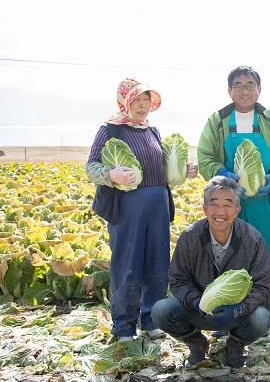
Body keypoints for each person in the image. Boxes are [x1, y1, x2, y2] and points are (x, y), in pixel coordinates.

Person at [86, 78, 199, 343]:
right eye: (136, 100)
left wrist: (185, 171)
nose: (142, 105)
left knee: (158, 265)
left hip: (158, 206)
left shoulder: (152, 131)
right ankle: (124, 326)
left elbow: (161, 171)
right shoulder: (110, 130)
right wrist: (110, 173)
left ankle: (152, 320)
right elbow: (90, 167)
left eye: (146, 100)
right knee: (128, 265)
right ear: (124, 101)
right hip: (128, 209)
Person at [150, 176, 270, 368]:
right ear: (204, 208)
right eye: (214, 204)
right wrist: (197, 302)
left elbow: (263, 286)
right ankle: (197, 344)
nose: (221, 212)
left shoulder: (252, 239)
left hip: (236, 314)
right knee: (161, 310)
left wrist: (239, 308)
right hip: (198, 311)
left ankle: (235, 346)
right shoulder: (191, 236)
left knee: (261, 318)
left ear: (237, 210)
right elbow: (177, 280)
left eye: (228, 204)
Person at [197, 65, 270, 300]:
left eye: (250, 85)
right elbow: (205, 156)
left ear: (259, 89)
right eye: (238, 86)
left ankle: (265, 303)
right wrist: (222, 173)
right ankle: (226, 302)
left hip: (265, 200)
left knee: (266, 252)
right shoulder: (218, 120)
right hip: (227, 201)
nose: (244, 91)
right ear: (229, 90)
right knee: (225, 251)